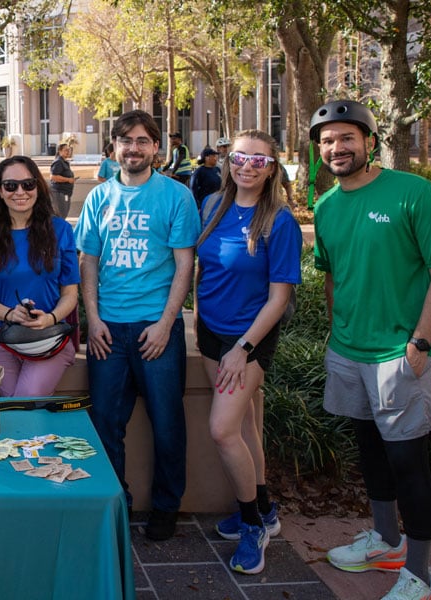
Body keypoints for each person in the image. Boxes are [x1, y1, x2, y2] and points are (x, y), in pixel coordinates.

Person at [311, 100, 431, 600]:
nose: (337, 147)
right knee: (371, 453)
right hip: (349, 351)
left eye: (347, 137)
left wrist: (420, 343)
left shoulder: (412, 193)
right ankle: (386, 540)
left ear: (370, 141)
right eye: (328, 140)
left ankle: (420, 575)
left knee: (408, 463)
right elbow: (333, 274)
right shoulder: (327, 205)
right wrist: (336, 332)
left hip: (401, 354)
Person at [74, 109, 200, 540]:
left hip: (155, 329)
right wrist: (93, 320)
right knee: (106, 423)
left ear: (157, 149)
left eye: (143, 140)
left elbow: (185, 266)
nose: (134, 148)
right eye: (126, 140)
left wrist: (167, 324)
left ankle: (166, 507)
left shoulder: (177, 197)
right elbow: (88, 261)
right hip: (109, 329)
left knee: (168, 424)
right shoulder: (99, 197)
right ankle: (117, 506)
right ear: (114, 148)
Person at [195, 130, 302, 574]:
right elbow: (205, 267)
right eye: (240, 156)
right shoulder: (212, 205)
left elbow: (279, 298)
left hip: (249, 340)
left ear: (272, 168)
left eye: (259, 160)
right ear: (228, 159)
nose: (247, 165)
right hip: (209, 332)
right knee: (247, 425)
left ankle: (253, 525)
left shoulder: (280, 221)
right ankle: (265, 507)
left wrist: (243, 348)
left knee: (222, 430)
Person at [0, 156, 80, 397]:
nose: (20, 191)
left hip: (49, 337)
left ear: (38, 187)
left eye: (28, 184)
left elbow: (70, 294)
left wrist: (50, 318)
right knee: (9, 407)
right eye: (11, 185)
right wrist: (9, 314)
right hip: (0, 335)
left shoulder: (60, 230)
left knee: (26, 399)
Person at [49, 142, 77, 217]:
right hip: (59, 193)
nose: (68, 152)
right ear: (60, 151)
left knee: (63, 214)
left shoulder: (64, 162)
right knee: (61, 215)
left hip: (65, 193)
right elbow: (53, 177)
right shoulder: (58, 162)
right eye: (66, 150)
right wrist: (68, 180)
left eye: (69, 150)